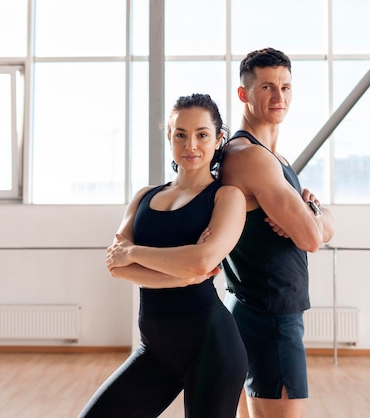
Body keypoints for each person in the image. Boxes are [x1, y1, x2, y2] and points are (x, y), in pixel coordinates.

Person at [78, 93, 248, 418]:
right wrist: (181, 275)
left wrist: (136, 253)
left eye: (202, 134)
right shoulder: (144, 196)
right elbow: (115, 265)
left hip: (213, 349)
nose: (191, 145)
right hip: (155, 351)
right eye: (181, 134)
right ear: (169, 136)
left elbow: (201, 262)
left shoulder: (227, 197)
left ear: (218, 139)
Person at [220, 48, 335, 418]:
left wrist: (310, 211)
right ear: (244, 94)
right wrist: (310, 218)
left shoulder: (278, 160)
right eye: (267, 87)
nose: (279, 96)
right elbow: (312, 238)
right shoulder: (248, 155)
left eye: (285, 87)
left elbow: (320, 226)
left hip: (265, 307)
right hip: (267, 311)